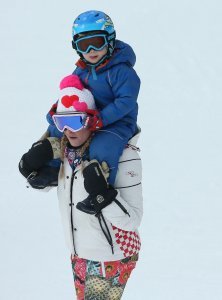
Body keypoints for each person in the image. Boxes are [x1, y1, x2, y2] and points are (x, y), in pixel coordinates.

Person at [19, 75, 143, 300]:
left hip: (112, 254)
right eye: (61, 123)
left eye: (75, 121)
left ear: (90, 120)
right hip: (79, 252)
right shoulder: (67, 152)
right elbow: (47, 185)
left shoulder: (124, 156)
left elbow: (132, 220)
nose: (67, 130)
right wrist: (31, 167)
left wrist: (103, 195)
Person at [47, 10, 141, 190]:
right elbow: (71, 93)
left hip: (118, 123)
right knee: (56, 129)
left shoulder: (122, 72)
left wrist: (102, 119)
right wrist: (57, 110)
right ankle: (50, 170)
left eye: (97, 43)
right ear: (76, 47)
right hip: (88, 119)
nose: (91, 51)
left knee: (103, 146)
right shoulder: (82, 70)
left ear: (110, 40)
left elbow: (126, 102)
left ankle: (101, 188)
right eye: (84, 45)